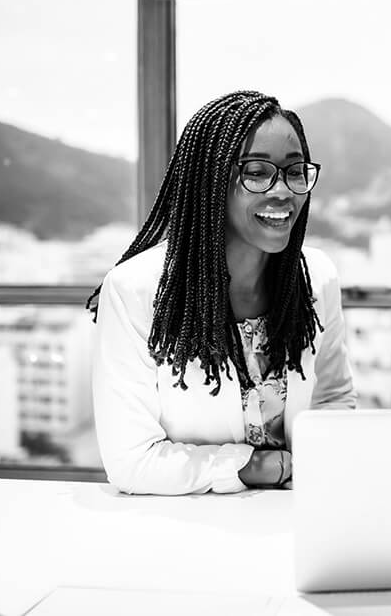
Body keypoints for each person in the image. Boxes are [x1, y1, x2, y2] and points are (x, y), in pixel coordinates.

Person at [88, 90, 355, 496]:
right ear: (211, 180)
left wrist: (321, 467)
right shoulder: (134, 290)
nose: (283, 191)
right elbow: (131, 461)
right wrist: (252, 467)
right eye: (257, 171)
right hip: (189, 530)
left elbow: (334, 397)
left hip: (298, 517)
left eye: (295, 171)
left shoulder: (316, 276)